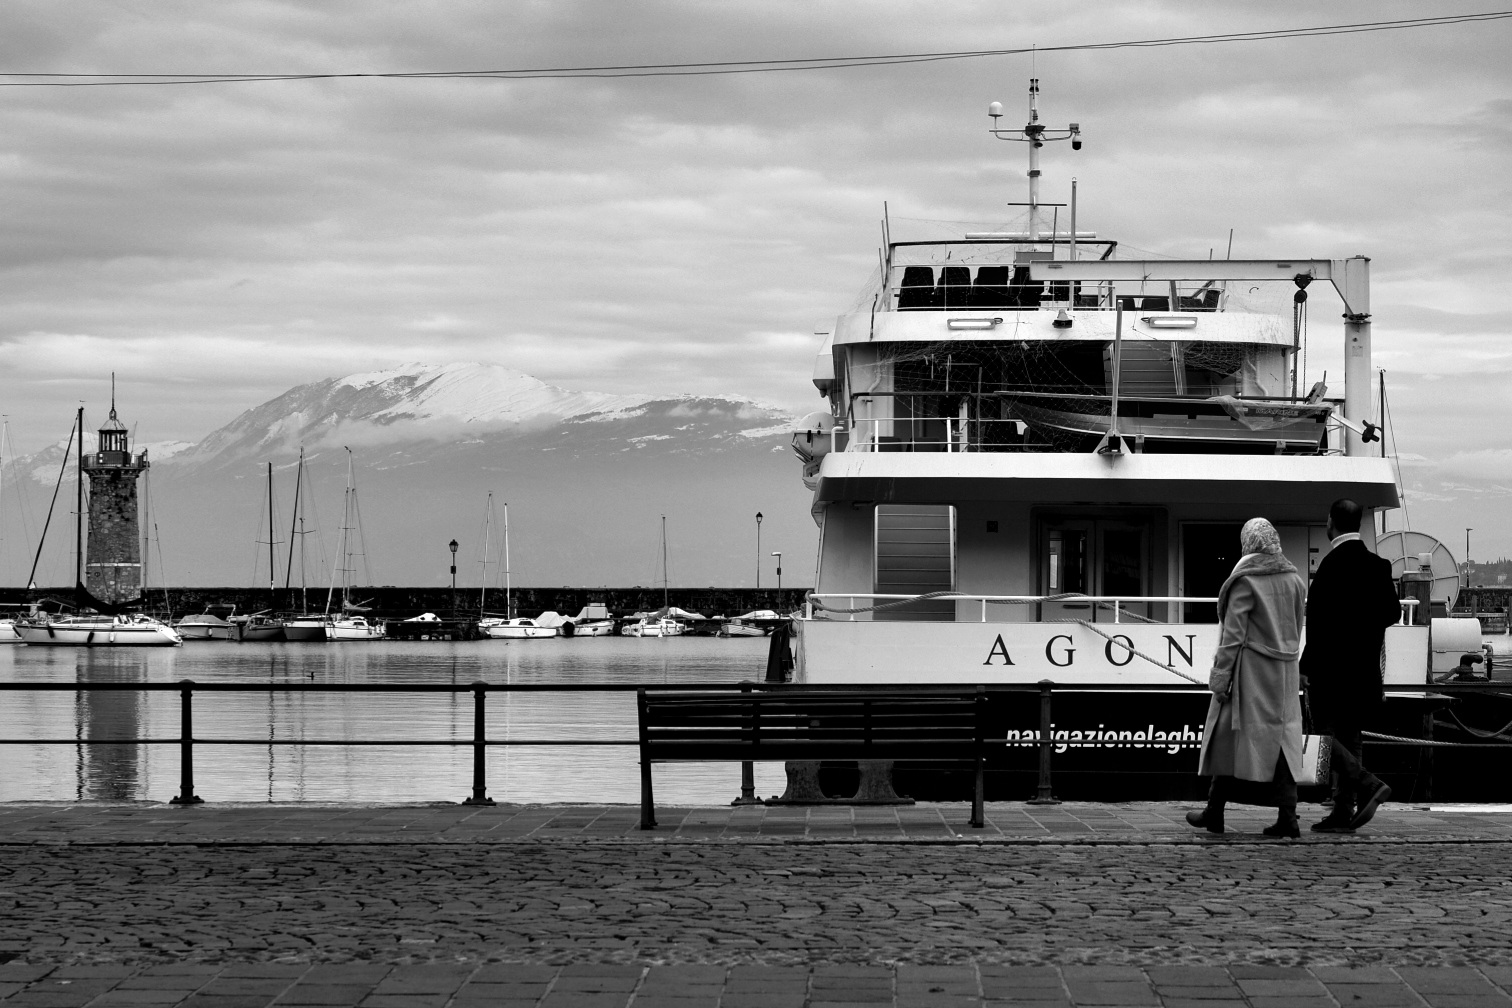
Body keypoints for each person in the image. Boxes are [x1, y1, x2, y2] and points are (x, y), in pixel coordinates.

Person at [1188, 518, 1308, 838]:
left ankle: (1215, 812)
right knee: (1284, 743)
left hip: (1250, 673)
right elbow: (1297, 628)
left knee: (1225, 735)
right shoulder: (1295, 579)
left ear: (1248, 543)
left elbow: (1232, 635)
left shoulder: (1245, 580)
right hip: (1285, 672)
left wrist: (1221, 676)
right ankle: (1289, 817)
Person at [1300, 498, 1401, 833]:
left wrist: (1305, 666)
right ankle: (1344, 810)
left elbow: (1316, 624)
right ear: (1358, 522)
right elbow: (1392, 613)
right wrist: (1363, 630)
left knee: (1324, 736)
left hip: (1331, 671)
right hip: (1364, 669)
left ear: (1331, 523)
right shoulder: (1379, 565)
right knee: (1352, 736)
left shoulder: (1328, 567)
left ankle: (1366, 784)